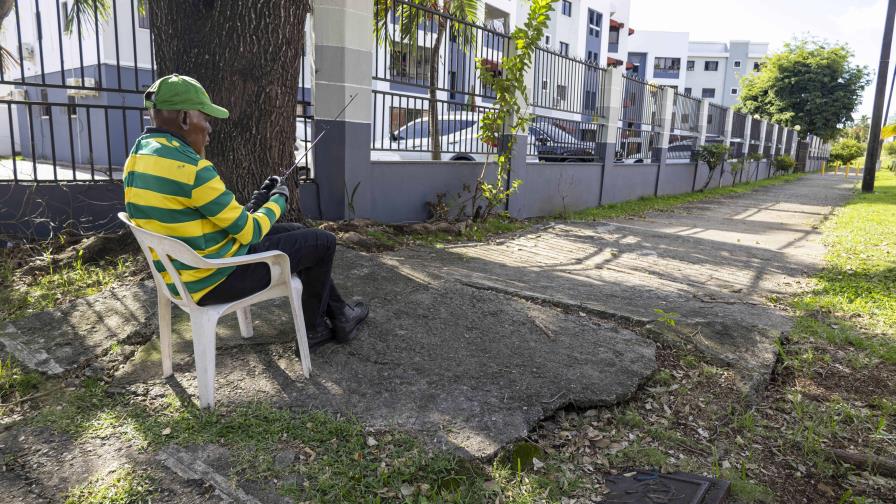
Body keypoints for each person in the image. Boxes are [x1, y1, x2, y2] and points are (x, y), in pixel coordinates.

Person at [123, 74, 367, 353]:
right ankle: (314, 329)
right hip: (216, 278)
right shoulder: (191, 168)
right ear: (184, 119)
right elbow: (249, 232)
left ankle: (340, 315)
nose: (210, 128)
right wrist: (278, 200)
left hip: (186, 273)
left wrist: (256, 201)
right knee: (323, 242)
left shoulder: (138, 157)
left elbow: (213, 220)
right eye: (206, 118)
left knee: (297, 233)